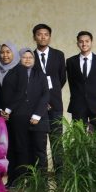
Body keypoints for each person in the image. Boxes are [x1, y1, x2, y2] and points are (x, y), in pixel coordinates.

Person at [1, 48, 49, 187]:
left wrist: (37, 114)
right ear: (19, 59)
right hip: (18, 118)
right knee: (20, 150)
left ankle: (40, 183)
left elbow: (45, 95)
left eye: (30, 57)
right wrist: (7, 110)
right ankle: (20, 181)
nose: (27, 59)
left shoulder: (40, 74)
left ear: (34, 60)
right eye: (24, 57)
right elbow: (9, 95)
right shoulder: (12, 74)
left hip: (38, 119)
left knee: (39, 151)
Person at [33, 24, 67, 170]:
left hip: (55, 104)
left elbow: (62, 78)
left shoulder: (58, 55)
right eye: (39, 34)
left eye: (46, 34)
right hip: (37, 107)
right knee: (39, 143)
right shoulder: (30, 56)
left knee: (57, 141)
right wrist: (42, 101)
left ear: (50, 37)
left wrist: (50, 97)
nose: (43, 37)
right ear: (34, 37)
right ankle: (42, 176)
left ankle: (60, 174)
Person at [66, 31, 96, 135]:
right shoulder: (71, 61)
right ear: (77, 43)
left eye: (87, 41)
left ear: (91, 42)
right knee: (79, 137)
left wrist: (93, 93)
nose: (84, 44)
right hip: (78, 105)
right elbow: (72, 83)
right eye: (81, 41)